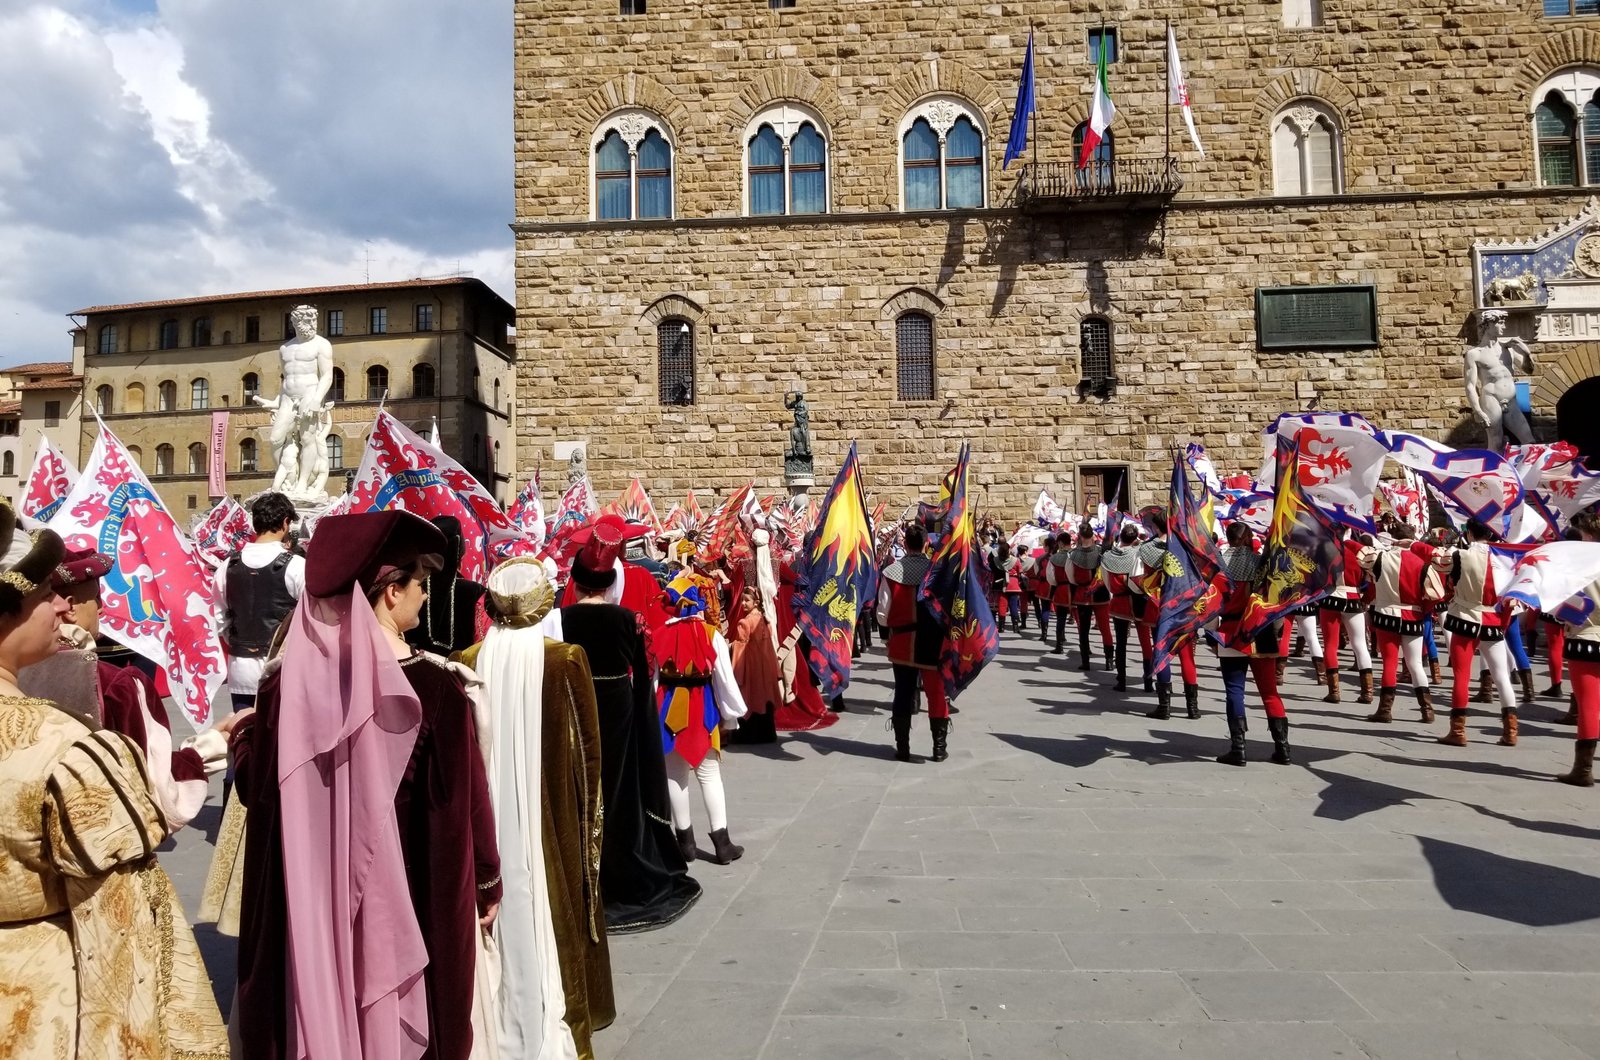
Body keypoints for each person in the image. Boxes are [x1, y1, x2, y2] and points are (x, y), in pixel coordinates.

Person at [231, 510, 506, 1060]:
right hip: (404, 912)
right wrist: (486, 882)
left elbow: (256, 794)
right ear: (387, 592)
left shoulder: (283, 687)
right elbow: (457, 819)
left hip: (311, 913)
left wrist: (241, 742)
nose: (425, 598)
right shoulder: (435, 689)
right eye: (420, 585)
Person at [0, 503, 230, 1059]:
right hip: (37, 1007)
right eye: (45, 592)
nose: (63, 604)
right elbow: (129, 946)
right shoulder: (65, 752)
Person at [457, 557, 617, 1059]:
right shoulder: (565, 658)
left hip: (488, 813)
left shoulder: (468, 655)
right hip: (553, 814)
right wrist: (590, 823)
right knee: (556, 909)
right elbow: (589, 755)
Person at [545, 533, 702, 934]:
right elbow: (643, 675)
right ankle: (622, 867)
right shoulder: (629, 620)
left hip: (576, 709)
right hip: (619, 712)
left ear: (576, 583)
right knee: (618, 790)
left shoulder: (561, 620)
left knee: (581, 787)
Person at [19, 546, 227, 832]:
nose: (102, 608)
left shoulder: (13, 672)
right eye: (95, 599)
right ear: (68, 607)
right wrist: (212, 745)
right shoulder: (116, 684)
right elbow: (154, 793)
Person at [657, 571, 749, 864]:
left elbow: (651, 683)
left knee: (675, 776)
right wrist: (732, 716)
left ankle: (684, 842)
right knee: (709, 776)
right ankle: (722, 844)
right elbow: (724, 680)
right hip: (702, 712)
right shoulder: (712, 635)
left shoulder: (658, 635)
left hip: (667, 712)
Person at [1204, 522, 1292, 766]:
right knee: (1270, 692)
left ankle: (1238, 748)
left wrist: (1211, 635)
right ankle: (1282, 749)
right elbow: (1275, 602)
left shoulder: (1218, 566)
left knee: (1235, 691)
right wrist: (1278, 630)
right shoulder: (1262, 564)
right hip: (1261, 632)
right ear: (1248, 538)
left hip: (1231, 632)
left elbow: (1210, 605)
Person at [215, 490, 305, 713]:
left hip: (240, 668)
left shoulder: (228, 566)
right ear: (286, 522)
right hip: (283, 670)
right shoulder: (296, 566)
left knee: (245, 735)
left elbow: (219, 619)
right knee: (279, 742)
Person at [1436, 518, 1519, 747]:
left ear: (1470, 533)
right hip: (1493, 620)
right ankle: (1511, 730)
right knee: (1502, 677)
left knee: (1462, 676)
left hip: (1465, 618)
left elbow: (1435, 561)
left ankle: (1458, 731)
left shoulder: (1459, 555)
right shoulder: (1505, 560)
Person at [878, 524, 952, 761]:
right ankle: (939, 748)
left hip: (902, 639)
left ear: (904, 543)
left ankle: (903, 748)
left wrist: (884, 636)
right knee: (936, 692)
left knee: (903, 691)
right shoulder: (937, 572)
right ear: (926, 544)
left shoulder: (891, 572)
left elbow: (882, 611)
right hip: (933, 640)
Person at [1359, 528, 1444, 726]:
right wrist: (1423, 611)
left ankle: (1385, 710)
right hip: (1412, 616)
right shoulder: (1422, 565)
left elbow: (1370, 586)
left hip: (1385, 615)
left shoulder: (1378, 559)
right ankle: (1427, 710)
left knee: (1390, 663)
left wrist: (1366, 600)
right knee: (1415, 664)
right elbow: (1434, 595)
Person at [1139, 510, 1201, 721]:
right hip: (1184, 603)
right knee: (1186, 656)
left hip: (1159, 603)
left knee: (1163, 653)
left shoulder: (1146, 549)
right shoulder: (1185, 548)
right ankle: (1193, 707)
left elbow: (1142, 578)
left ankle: (1164, 706)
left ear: (1156, 527)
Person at [407, 514, 489, 656]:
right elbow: (483, 645)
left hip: (412, 671)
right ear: (460, 555)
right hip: (462, 674)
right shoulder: (475, 592)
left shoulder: (411, 587)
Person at [1318, 526, 1375, 705]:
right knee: (1360, 645)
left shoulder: (1323, 548)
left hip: (1330, 597)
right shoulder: (1357, 550)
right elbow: (1372, 576)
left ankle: (1334, 691)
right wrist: (1367, 598)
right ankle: (1367, 692)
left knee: (1330, 644)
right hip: (1353, 597)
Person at [728, 585, 781, 744]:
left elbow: (740, 646)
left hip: (751, 667)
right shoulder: (765, 619)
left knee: (749, 697)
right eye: (742, 600)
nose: (743, 603)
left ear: (756, 602)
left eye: (746, 600)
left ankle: (747, 735)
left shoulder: (744, 623)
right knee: (764, 697)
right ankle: (766, 734)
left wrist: (730, 646)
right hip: (765, 666)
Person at [1102, 523, 1150, 694]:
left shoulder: (1107, 556)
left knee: (1121, 642)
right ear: (1135, 537)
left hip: (1120, 601)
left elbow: (1108, 583)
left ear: (1120, 536)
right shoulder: (1139, 554)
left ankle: (1121, 680)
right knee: (1145, 641)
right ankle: (1148, 680)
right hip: (1138, 600)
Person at [1062, 526, 1114, 672]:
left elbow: (1071, 577)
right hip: (1100, 592)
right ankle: (1109, 660)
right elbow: (1106, 574)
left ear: (1079, 535)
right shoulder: (1101, 552)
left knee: (1083, 630)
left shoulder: (1072, 555)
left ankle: (1086, 662)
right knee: (1105, 628)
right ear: (1092, 535)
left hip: (1082, 593)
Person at [989, 540, 1025, 634]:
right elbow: (1020, 571)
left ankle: (1001, 627)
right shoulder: (1015, 560)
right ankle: (1015, 627)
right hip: (1013, 584)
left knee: (1002, 605)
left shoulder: (995, 560)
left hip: (1000, 584)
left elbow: (991, 570)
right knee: (1013, 605)